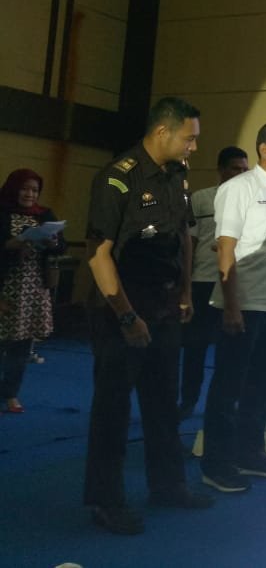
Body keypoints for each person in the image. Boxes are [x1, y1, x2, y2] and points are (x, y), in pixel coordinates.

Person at [84, 97, 212, 535]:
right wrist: (126, 316)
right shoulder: (117, 178)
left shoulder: (177, 176)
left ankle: (168, 485)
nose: (194, 147)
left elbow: (183, 237)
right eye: (189, 138)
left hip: (164, 307)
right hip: (121, 309)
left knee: (162, 404)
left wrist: (185, 291)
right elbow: (99, 254)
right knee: (113, 410)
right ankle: (105, 501)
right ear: (162, 132)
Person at [200, 122, 266, 494]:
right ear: (264, 150)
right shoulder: (237, 189)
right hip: (244, 302)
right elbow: (226, 250)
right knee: (229, 384)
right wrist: (231, 306)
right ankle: (216, 463)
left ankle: (249, 451)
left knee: (265, 382)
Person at [178, 146, 250, 420]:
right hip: (203, 281)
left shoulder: (253, 201)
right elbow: (190, 243)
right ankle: (188, 400)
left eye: (245, 170)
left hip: (236, 285)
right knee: (194, 347)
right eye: (235, 168)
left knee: (231, 350)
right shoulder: (201, 198)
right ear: (221, 169)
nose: (240, 173)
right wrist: (185, 286)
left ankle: (225, 404)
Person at [1, 169, 66, 413]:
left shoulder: (44, 214)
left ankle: (10, 394)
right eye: (25, 189)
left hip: (32, 289)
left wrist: (52, 243)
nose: (30, 194)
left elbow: (61, 246)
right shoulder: (2, 212)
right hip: (5, 286)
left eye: (35, 190)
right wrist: (13, 244)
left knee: (21, 346)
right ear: (13, 188)